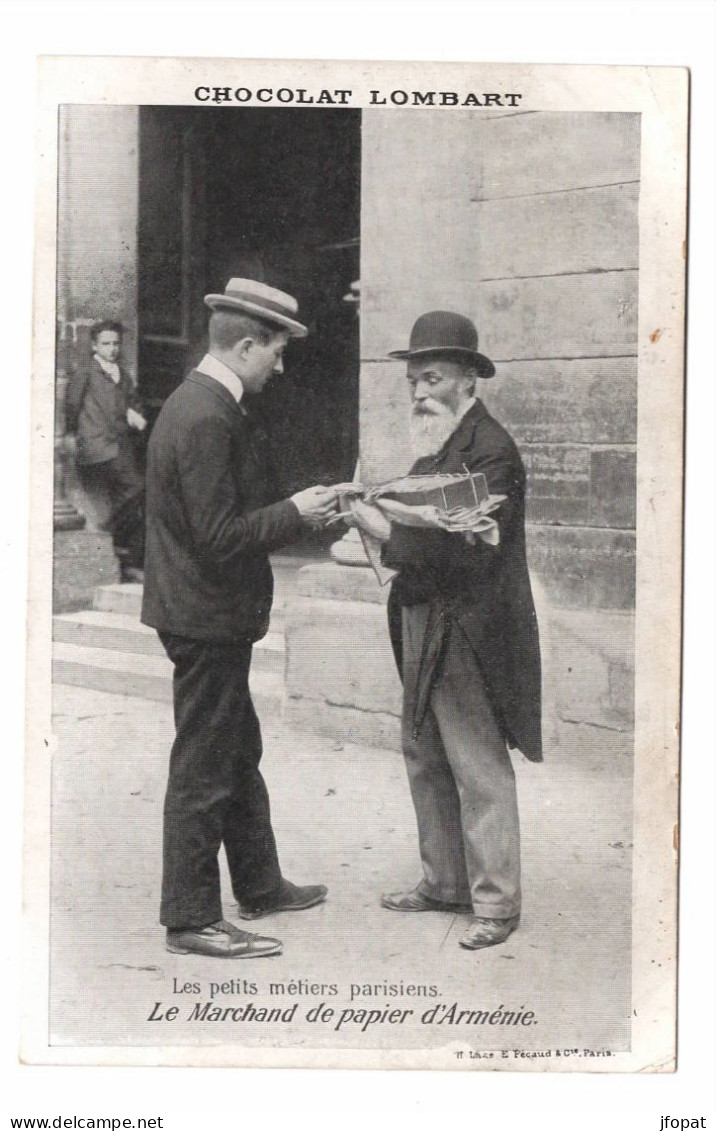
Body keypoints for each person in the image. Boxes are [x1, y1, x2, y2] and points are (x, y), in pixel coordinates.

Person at [141, 278, 338, 959]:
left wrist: (298, 508)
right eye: (276, 352)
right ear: (246, 344)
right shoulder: (203, 415)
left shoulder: (204, 406)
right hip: (205, 617)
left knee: (235, 751)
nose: (279, 367)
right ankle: (191, 917)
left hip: (208, 612)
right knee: (204, 764)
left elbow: (215, 524)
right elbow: (221, 535)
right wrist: (298, 513)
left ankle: (259, 883)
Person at [354, 310, 542, 951]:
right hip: (421, 613)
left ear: (467, 378)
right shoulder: (442, 445)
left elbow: (465, 551)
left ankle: (496, 901)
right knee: (425, 752)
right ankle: (443, 884)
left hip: (469, 624)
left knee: (474, 759)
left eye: (430, 378)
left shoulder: (490, 450)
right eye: (412, 381)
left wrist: (379, 526)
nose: (417, 393)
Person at [66, 320, 147, 582]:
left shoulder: (122, 375)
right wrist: (71, 435)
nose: (112, 349)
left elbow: (133, 404)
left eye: (115, 344)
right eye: (106, 344)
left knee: (134, 497)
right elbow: (72, 404)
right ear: (94, 345)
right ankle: (110, 535)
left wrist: (136, 415)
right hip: (96, 445)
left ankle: (124, 557)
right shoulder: (87, 372)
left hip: (119, 446)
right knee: (135, 488)